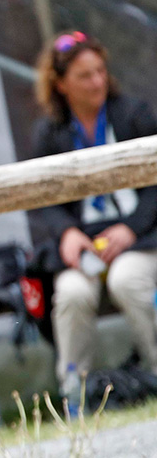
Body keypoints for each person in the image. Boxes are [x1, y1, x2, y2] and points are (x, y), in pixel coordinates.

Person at [28, 31, 157, 384]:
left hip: (141, 236)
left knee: (128, 279)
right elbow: (41, 200)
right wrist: (66, 233)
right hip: (83, 244)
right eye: (85, 75)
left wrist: (130, 228)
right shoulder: (49, 133)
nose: (97, 81)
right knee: (70, 293)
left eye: (100, 71)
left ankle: (154, 368)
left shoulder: (134, 114)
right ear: (61, 84)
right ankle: (74, 389)